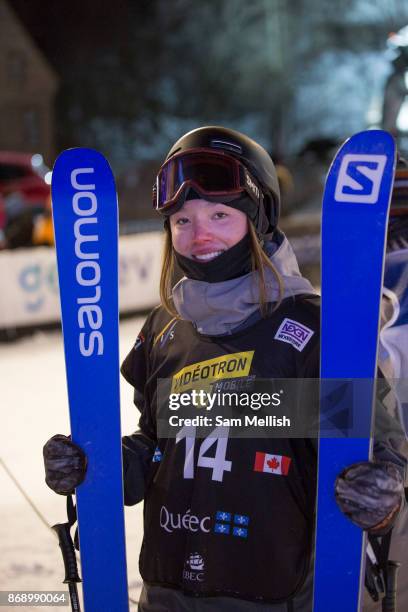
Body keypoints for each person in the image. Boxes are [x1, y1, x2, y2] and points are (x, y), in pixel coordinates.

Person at [44, 126, 407, 611]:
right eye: (182, 221)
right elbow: (158, 449)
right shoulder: (164, 332)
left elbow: (379, 460)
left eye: (219, 214)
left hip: (278, 596)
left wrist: (380, 501)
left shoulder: (313, 334)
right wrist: (98, 465)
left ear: (258, 219)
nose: (200, 235)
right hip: (167, 593)